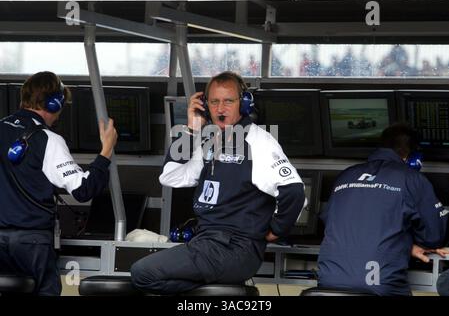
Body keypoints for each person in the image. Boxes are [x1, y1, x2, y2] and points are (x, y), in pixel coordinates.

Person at [131, 71, 307, 294]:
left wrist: (276, 230)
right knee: (154, 277)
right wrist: (190, 129)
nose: (220, 109)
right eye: (214, 101)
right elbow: (171, 176)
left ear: (243, 105)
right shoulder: (208, 140)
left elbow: (294, 191)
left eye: (228, 101)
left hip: (235, 248)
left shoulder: (259, 141)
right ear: (206, 106)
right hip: (207, 243)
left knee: (143, 273)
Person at [0, 71, 117, 295]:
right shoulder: (48, 140)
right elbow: (84, 190)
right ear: (54, 103)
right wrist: (106, 151)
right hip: (32, 241)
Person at [317, 123, 448, 296]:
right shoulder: (412, 179)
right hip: (380, 284)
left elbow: (328, 221)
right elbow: (433, 237)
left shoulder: (346, 175)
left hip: (327, 281)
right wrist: (407, 242)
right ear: (412, 155)